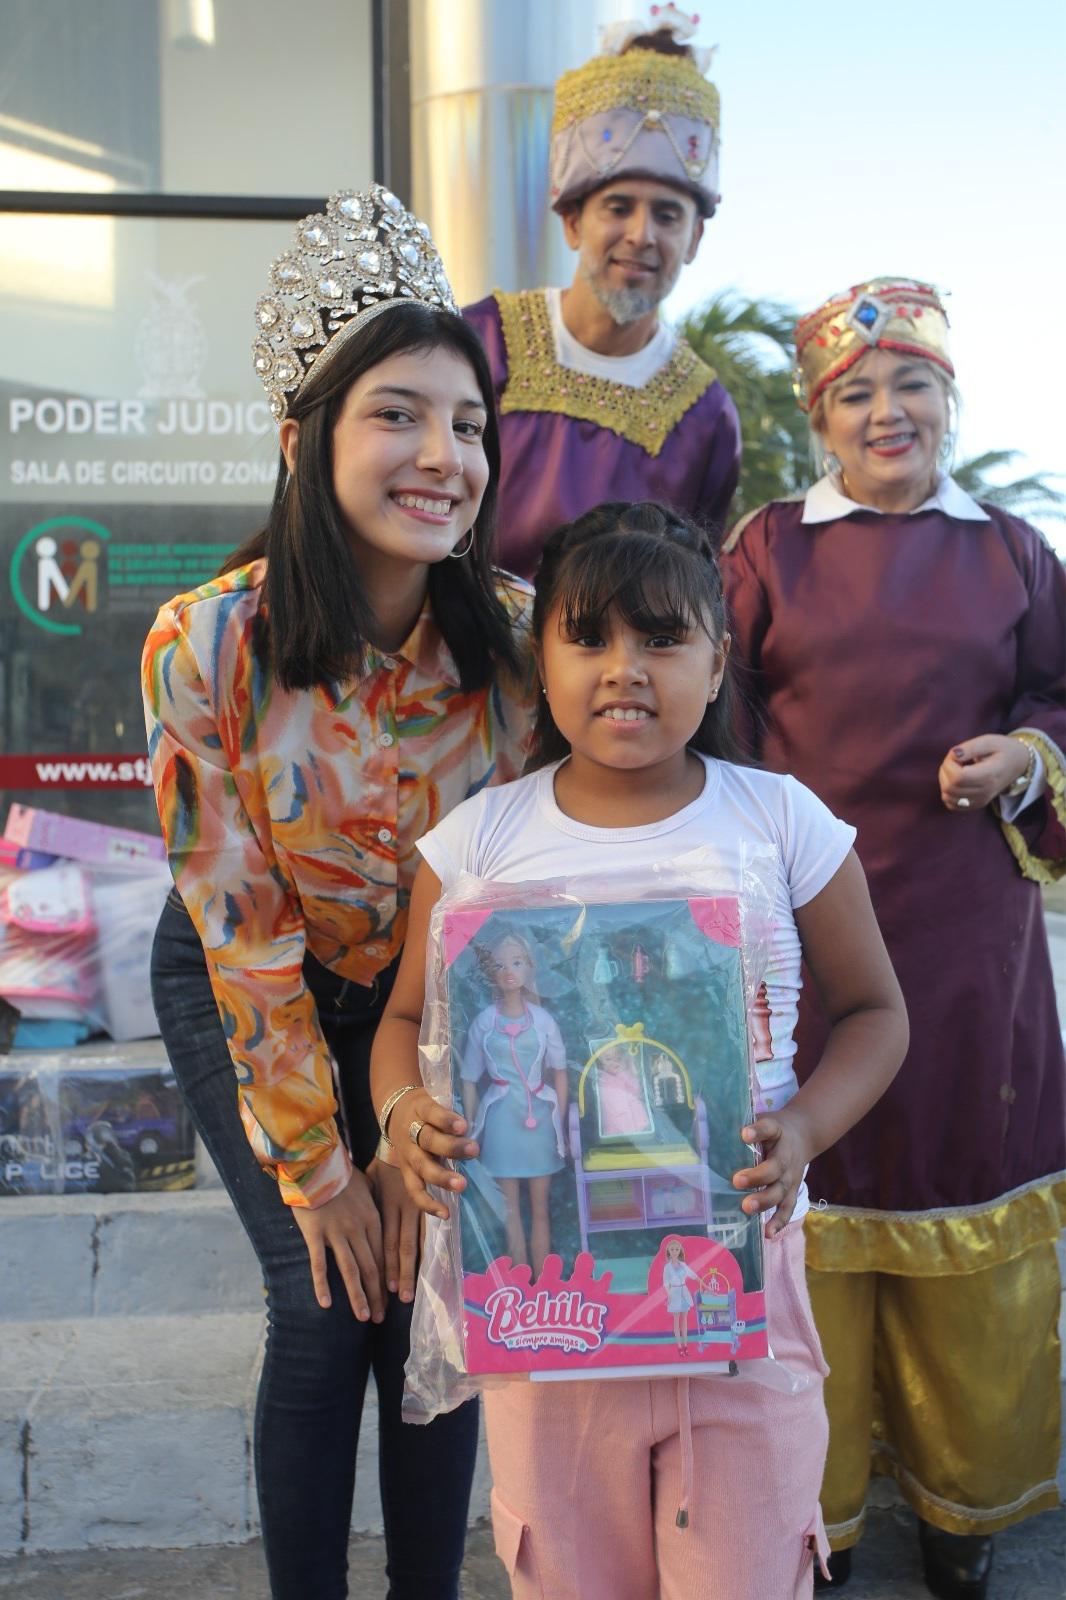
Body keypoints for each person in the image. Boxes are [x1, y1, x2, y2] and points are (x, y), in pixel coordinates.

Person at [372, 501, 909, 1599]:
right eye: (591, 637)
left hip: (742, 1287)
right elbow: (400, 1023)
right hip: (548, 1310)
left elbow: (874, 1012)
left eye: (663, 637)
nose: (626, 668)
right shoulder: (479, 841)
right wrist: (401, 1118)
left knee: (748, 1568)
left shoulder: (779, 820)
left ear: (717, 664)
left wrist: (803, 1125)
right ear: (544, 659)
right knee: (569, 1570)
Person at [141, 184, 535, 1600]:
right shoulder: (207, 644)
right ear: (307, 437)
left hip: (434, 1002)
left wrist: (425, 1114)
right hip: (248, 983)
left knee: (433, 1299)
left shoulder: (520, 648)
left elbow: (524, 897)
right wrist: (323, 1168)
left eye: (470, 423)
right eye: (398, 414)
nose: (443, 454)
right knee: (325, 1304)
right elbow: (239, 934)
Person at [722, 277, 1066, 1600]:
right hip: (800, 935)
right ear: (819, 414)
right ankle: (816, 1518)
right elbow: (722, 718)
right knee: (816, 1192)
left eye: (909, 383)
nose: (886, 410)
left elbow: (1058, 694)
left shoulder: (1013, 555)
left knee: (966, 1188)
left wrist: (1030, 753)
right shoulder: (764, 550)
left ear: (946, 397)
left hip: (965, 938)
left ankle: (965, 1508)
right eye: (855, 391)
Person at [464, 13, 741, 577]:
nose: (642, 235)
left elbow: (698, 598)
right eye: (618, 208)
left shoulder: (706, 417)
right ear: (572, 221)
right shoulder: (478, 342)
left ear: (694, 239)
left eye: (668, 215)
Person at [461, 930, 568, 1272]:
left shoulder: (544, 1021)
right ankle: (520, 1287)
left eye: (517, 963)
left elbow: (561, 1071)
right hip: (501, 1122)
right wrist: (471, 1127)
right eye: (500, 964)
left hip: (538, 1119)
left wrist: (559, 1120)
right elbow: (469, 1078)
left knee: (539, 1208)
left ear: (530, 968)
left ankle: (546, 1283)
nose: (509, 971)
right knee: (509, 1211)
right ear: (490, 971)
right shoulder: (483, 1023)